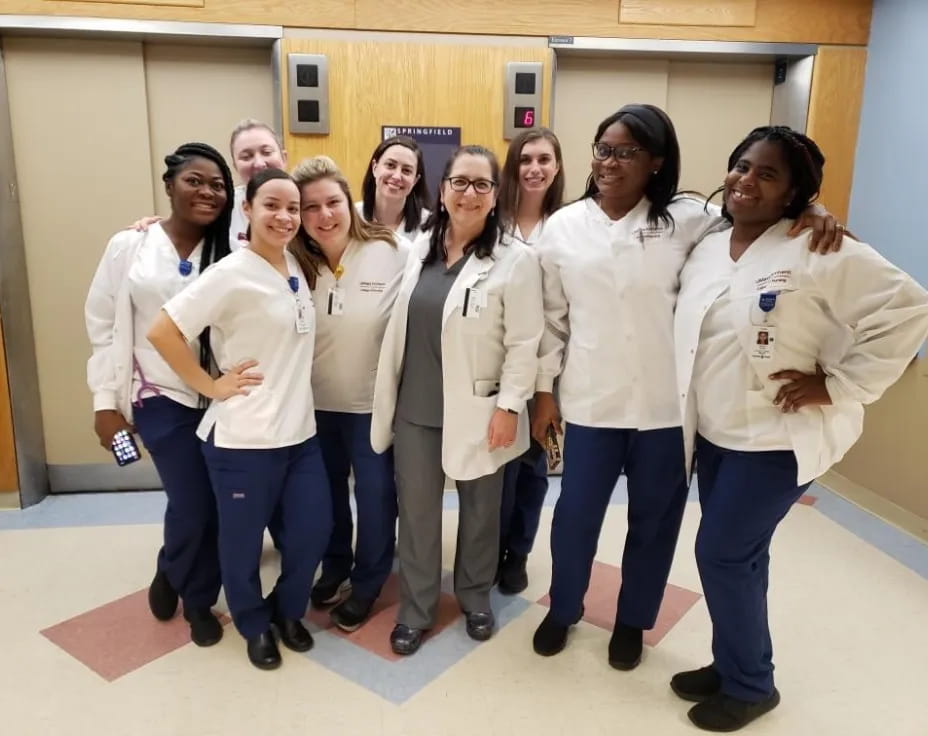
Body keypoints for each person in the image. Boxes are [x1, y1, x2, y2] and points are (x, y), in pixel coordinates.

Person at [531, 104, 847, 671]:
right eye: (604, 148)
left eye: (627, 152)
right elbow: (552, 319)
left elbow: (766, 219)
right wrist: (545, 393)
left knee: (654, 523)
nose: (610, 161)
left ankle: (632, 621)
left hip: (666, 411)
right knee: (574, 515)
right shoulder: (563, 227)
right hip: (589, 403)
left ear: (656, 161)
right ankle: (564, 608)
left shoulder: (690, 219)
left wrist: (817, 208)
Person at [670, 125, 928, 731]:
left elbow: (909, 308)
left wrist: (839, 384)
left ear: (794, 194)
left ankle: (752, 685)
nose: (745, 180)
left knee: (723, 555)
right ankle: (733, 662)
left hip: (775, 438)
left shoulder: (816, 245)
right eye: (741, 166)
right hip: (715, 433)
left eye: (767, 174)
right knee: (745, 558)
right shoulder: (709, 244)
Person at [147, 168, 332, 671]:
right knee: (241, 544)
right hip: (243, 441)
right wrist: (210, 386)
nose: (285, 216)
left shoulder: (294, 263)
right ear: (247, 210)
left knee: (313, 533)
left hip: (301, 437)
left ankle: (288, 611)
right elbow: (163, 331)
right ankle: (253, 624)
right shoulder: (230, 272)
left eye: (293, 207)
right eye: (272, 205)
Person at [370, 145, 543, 655]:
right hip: (416, 409)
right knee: (418, 514)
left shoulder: (516, 260)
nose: (469, 193)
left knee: (481, 512)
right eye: (459, 182)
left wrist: (510, 408)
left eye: (481, 184)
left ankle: (475, 597)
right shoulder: (416, 247)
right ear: (441, 190)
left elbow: (524, 343)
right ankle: (416, 609)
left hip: (482, 408)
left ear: (495, 195)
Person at [85, 142, 233, 647]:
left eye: (217, 184)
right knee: (194, 503)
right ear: (169, 185)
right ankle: (197, 602)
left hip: (217, 398)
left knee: (206, 501)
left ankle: (171, 568)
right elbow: (104, 326)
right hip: (157, 398)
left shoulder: (232, 247)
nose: (207, 192)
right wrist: (105, 402)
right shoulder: (130, 246)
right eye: (194, 180)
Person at [289, 156, 409, 630]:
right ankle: (335, 564)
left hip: (372, 405)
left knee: (377, 497)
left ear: (350, 202)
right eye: (310, 207)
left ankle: (367, 582)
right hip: (314, 406)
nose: (324, 215)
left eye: (333, 202)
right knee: (326, 495)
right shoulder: (292, 258)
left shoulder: (393, 250)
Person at [494, 127, 565, 594]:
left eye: (544, 159)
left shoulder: (569, 225)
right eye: (525, 159)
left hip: (549, 367)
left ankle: (516, 554)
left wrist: (544, 388)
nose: (535, 168)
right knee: (494, 463)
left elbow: (559, 313)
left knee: (533, 466)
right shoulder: (489, 221)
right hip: (493, 363)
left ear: (557, 167)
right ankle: (486, 547)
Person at [132, 119, 287, 247]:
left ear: (284, 157)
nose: (259, 163)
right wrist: (156, 230)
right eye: (246, 157)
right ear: (235, 166)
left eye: (266, 152)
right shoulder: (222, 204)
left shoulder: (307, 203)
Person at [358, 135, 430, 240]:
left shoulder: (429, 226)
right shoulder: (351, 217)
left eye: (406, 170)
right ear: (374, 167)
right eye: (390, 165)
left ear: (415, 180)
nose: (396, 176)